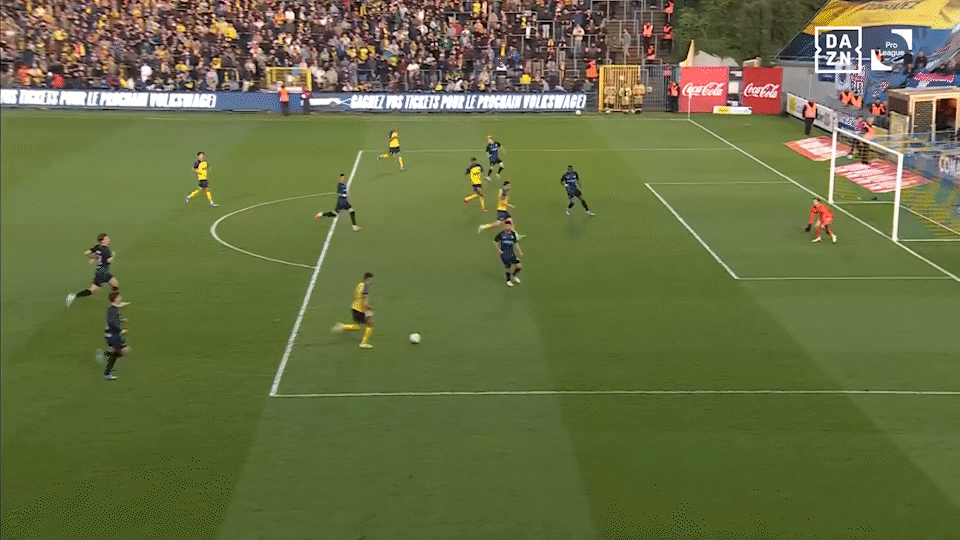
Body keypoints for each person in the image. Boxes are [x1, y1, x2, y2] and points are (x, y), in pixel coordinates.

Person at [67, 233, 120, 307]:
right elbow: (109, 261)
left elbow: (87, 252)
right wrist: (113, 256)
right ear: (102, 241)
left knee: (92, 290)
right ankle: (115, 303)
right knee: (115, 284)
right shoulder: (106, 250)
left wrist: (91, 258)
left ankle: (73, 296)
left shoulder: (97, 247)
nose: (108, 240)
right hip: (104, 272)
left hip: (99, 271)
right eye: (106, 239)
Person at [331, 272, 374, 348]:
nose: (371, 282)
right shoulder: (366, 287)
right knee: (370, 324)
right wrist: (367, 311)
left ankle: (342, 326)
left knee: (359, 326)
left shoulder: (360, 284)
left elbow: (355, 296)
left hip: (354, 308)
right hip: (360, 310)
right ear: (368, 279)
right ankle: (363, 343)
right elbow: (364, 300)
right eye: (371, 280)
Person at [97, 292, 130, 380]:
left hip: (113, 335)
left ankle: (106, 372)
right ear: (115, 299)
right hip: (112, 335)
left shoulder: (112, 308)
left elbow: (113, 320)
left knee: (119, 353)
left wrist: (122, 320)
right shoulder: (113, 311)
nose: (120, 298)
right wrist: (121, 331)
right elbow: (112, 324)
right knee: (124, 352)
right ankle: (104, 355)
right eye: (119, 297)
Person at [494, 219, 523, 287]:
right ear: (504, 226)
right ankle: (508, 280)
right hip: (504, 254)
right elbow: (495, 241)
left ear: (510, 226)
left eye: (508, 226)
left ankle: (514, 275)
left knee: (519, 266)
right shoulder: (501, 234)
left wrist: (519, 251)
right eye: (506, 226)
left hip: (511, 253)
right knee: (508, 268)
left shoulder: (513, 234)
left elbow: (516, 243)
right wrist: (498, 249)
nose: (507, 227)